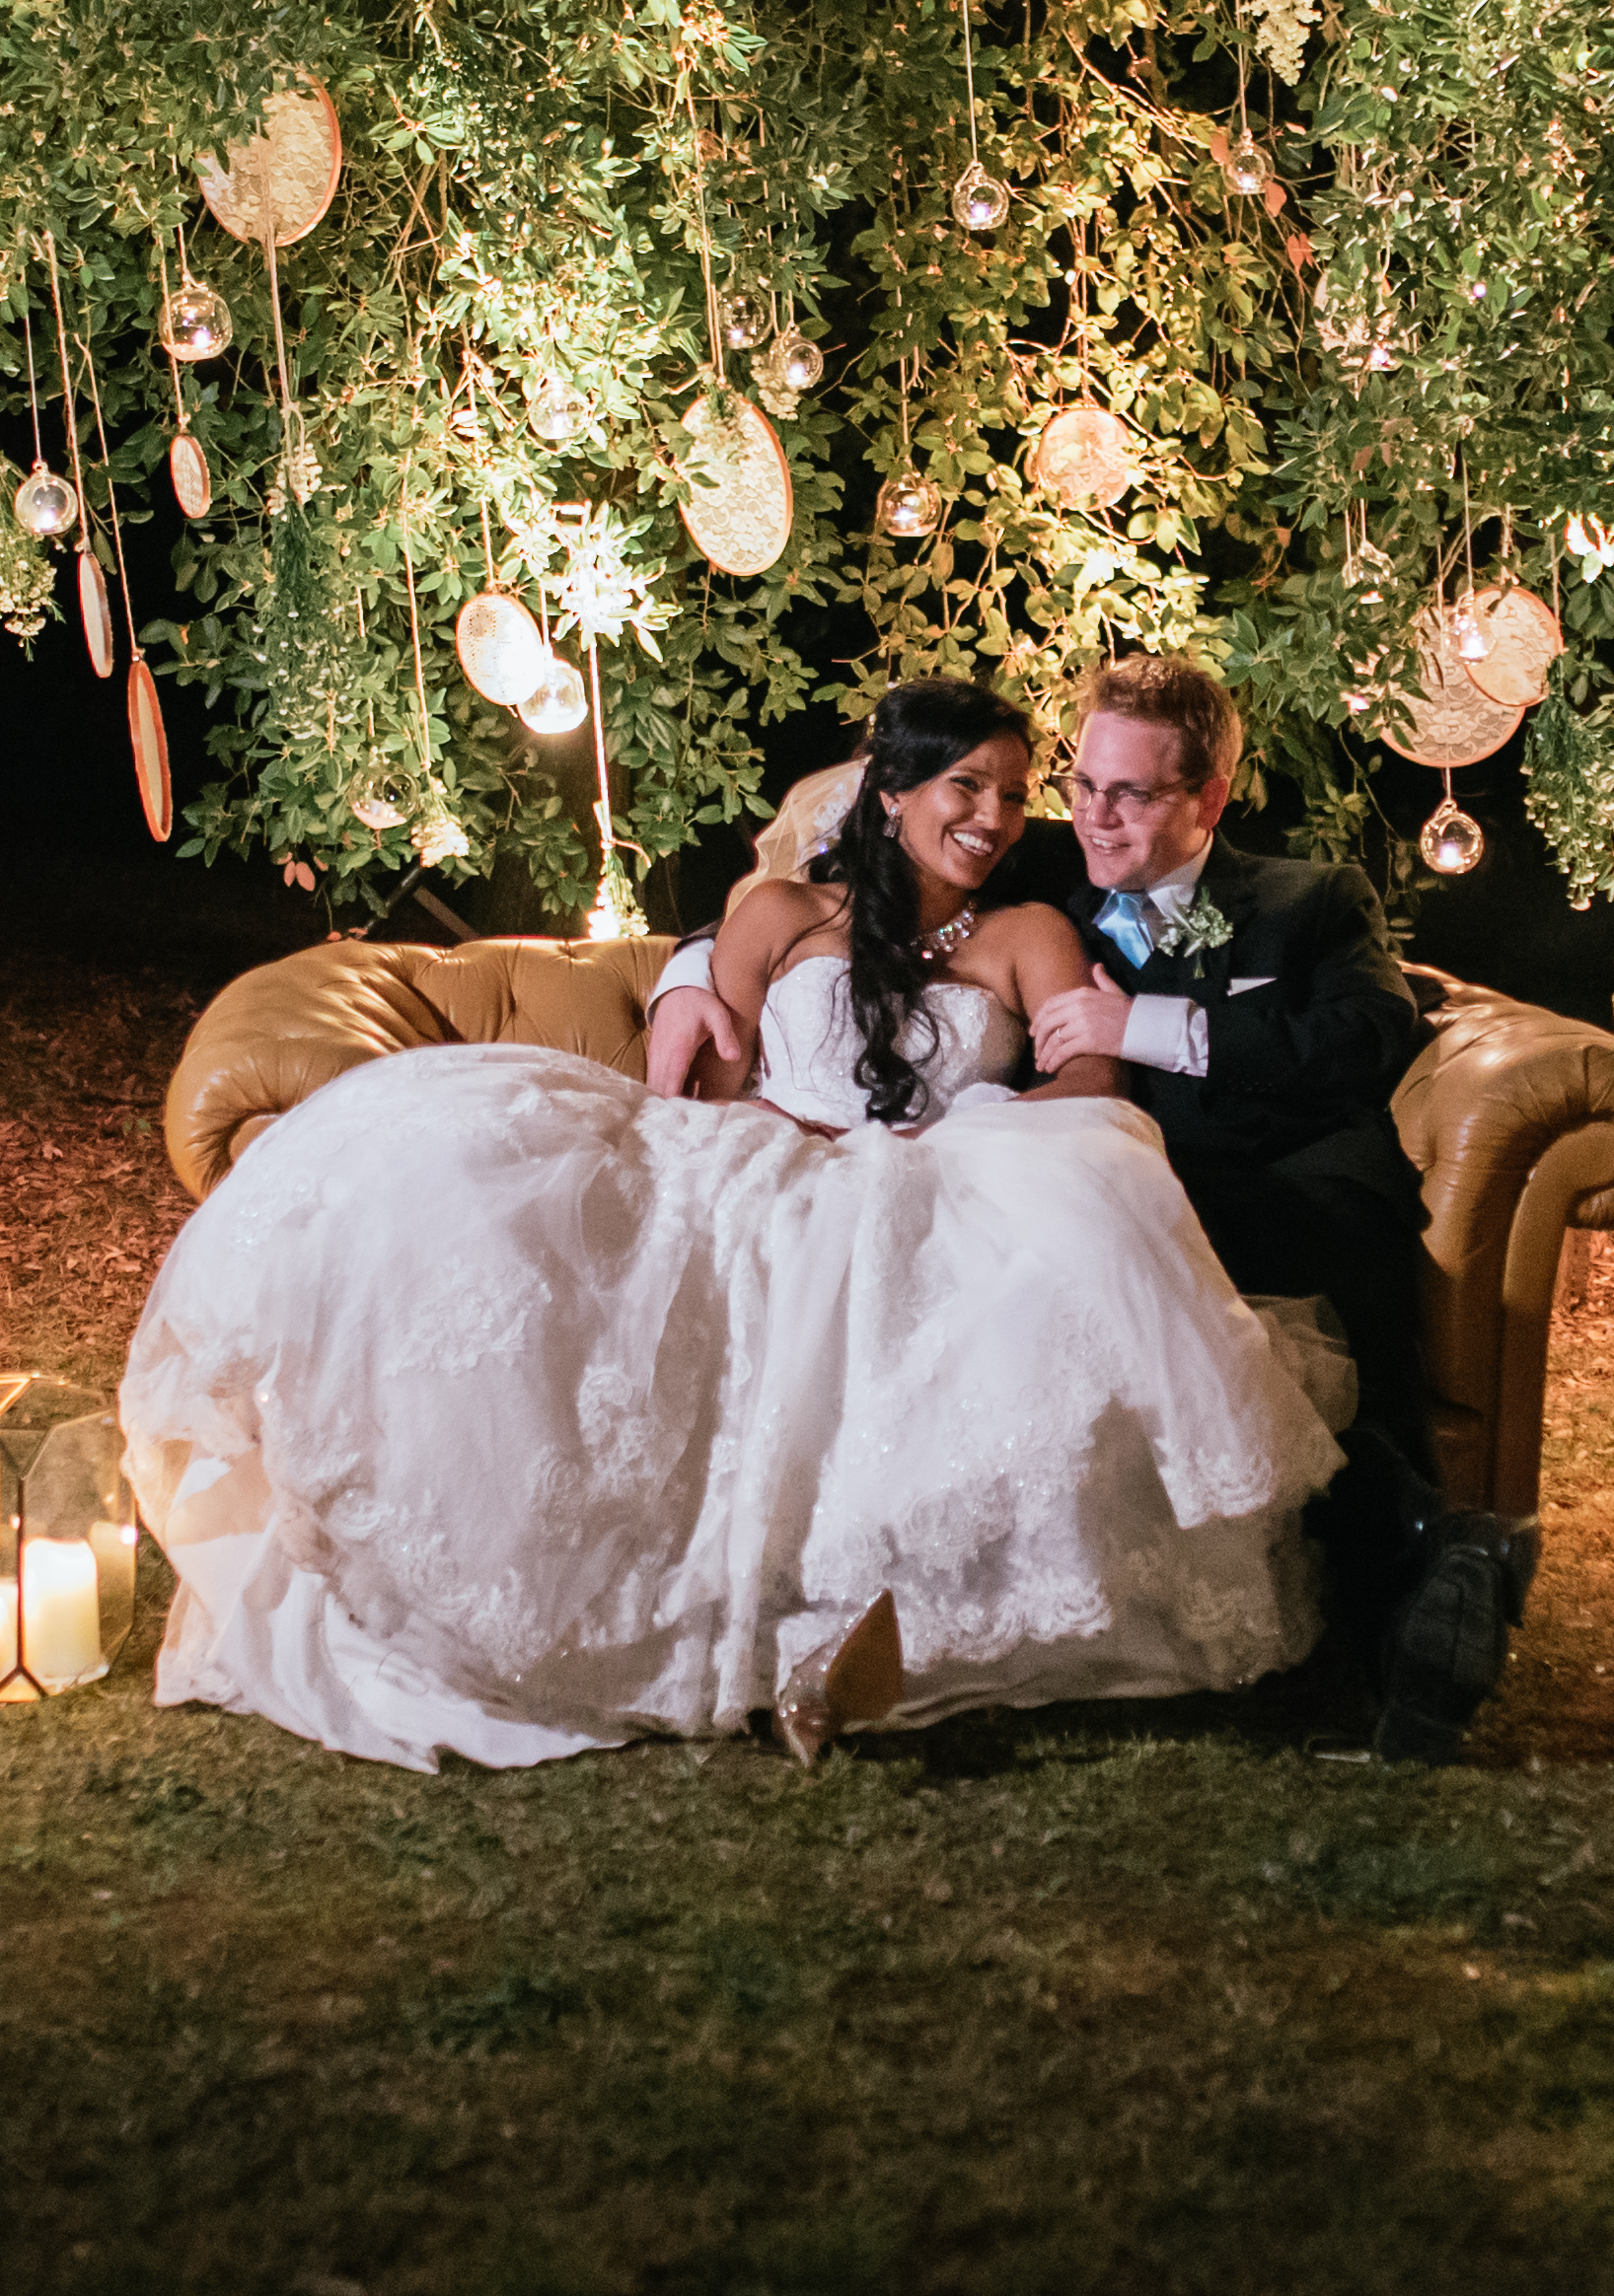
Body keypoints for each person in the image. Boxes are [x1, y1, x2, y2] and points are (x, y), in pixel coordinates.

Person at [121, 678, 1353, 1771]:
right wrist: (690, 1025)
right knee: (484, 1195)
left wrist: (972, 1121)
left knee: (958, 1269)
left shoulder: (1033, 929)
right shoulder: (779, 911)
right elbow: (710, 1055)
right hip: (761, 1153)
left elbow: (1086, 1080)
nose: (998, 814)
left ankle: (843, 1628)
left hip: (929, 1171)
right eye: (968, 786)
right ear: (889, 793)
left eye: (1019, 792)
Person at [642, 650, 1542, 1758]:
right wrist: (690, 981)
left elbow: (1363, 1038)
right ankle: (1427, 1562)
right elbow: (837, 893)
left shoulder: (1307, 898)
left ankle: (1408, 1603)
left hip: (1266, 1180)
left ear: (1207, 796)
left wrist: (1145, 1030)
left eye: (1132, 791)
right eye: (1079, 785)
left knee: (1174, 1273)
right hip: (1058, 1185)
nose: (1090, 813)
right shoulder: (1030, 860)